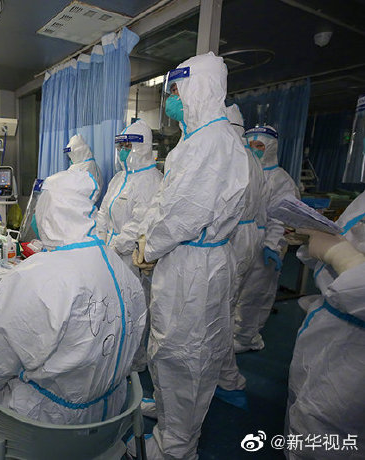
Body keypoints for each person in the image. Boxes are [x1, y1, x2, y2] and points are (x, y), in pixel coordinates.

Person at [0, 169, 147, 459]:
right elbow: (132, 354)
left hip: (44, 428)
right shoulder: (122, 271)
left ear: (48, 211)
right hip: (108, 420)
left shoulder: (36, 277)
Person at [130, 52, 250, 459]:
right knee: (169, 348)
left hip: (194, 264)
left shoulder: (213, 142)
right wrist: (148, 238)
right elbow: (167, 200)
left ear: (199, 89)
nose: (172, 100)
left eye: (178, 91)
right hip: (184, 259)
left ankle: (177, 446)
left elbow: (185, 213)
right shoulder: (197, 139)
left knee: (186, 354)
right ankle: (169, 416)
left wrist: (150, 246)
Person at [286, 192, 365, 459]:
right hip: (330, 324)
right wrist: (316, 238)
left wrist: (344, 258)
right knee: (304, 416)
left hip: (355, 352)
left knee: (331, 436)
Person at [95, 118, 162, 372]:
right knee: (113, 307)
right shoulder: (120, 177)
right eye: (120, 146)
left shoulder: (152, 181)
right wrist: (100, 240)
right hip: (109, 251)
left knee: (135, 307)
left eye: (127, 146)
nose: (123, 151)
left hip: (131, 257)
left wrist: (114, 246)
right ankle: (115, 355)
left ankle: (135, 361)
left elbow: (139, 225)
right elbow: (103, 212)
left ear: (141, 147)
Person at [216, 104, 266, 405]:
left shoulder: (232, 158)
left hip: (232, 237)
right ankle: (224, 374)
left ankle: (226, 376)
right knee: (227, 305)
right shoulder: (251, 159)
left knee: (219, 311)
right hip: (248, 236)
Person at [234, 125, 300, 353]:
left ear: (271, 147)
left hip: (264, 243)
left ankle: (246, 337)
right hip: (241, 241)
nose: (255, 149)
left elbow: (281, 218)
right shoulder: (243, 172)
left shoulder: (280, 179)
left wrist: (272, 245)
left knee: (255, 293)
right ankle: (231, 332)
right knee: (235, 290)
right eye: (251, 145)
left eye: (260, 145)